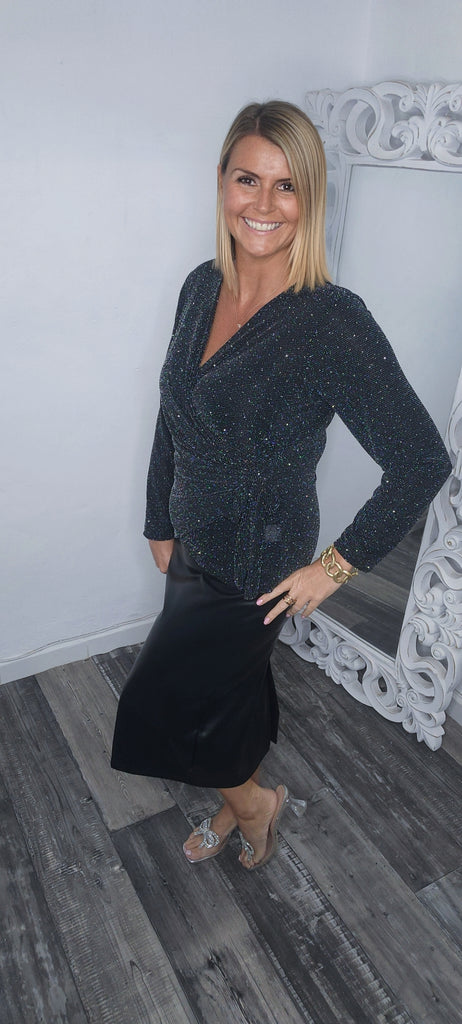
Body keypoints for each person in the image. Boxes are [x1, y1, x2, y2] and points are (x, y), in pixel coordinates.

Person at [111, 100, 451, 870]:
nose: (263, 204)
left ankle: (254, 803)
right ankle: (245, 793)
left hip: (257, 563)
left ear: (310, 199)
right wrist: (158, 520)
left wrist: (334, 569)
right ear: (222, 182)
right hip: (191, 541)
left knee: (160, 706)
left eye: (287, 185)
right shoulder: (201, 286)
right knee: (228, 690)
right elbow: (173, 410)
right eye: (248, 179)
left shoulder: (331, 320)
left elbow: (421, 460)